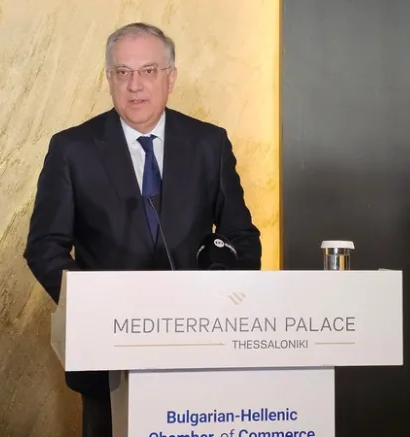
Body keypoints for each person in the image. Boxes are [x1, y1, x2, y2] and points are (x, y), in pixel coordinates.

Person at [23, 22, 261, 437]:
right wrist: (95, 305)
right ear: (109, 79)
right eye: (123, 72)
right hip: (107, 357)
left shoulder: (209, 144)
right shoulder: (72, 149)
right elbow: (45, 247)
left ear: (170, 78)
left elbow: (241, 237)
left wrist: (220, 298)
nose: (135, 85)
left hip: (198, 349)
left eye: (148, 71)